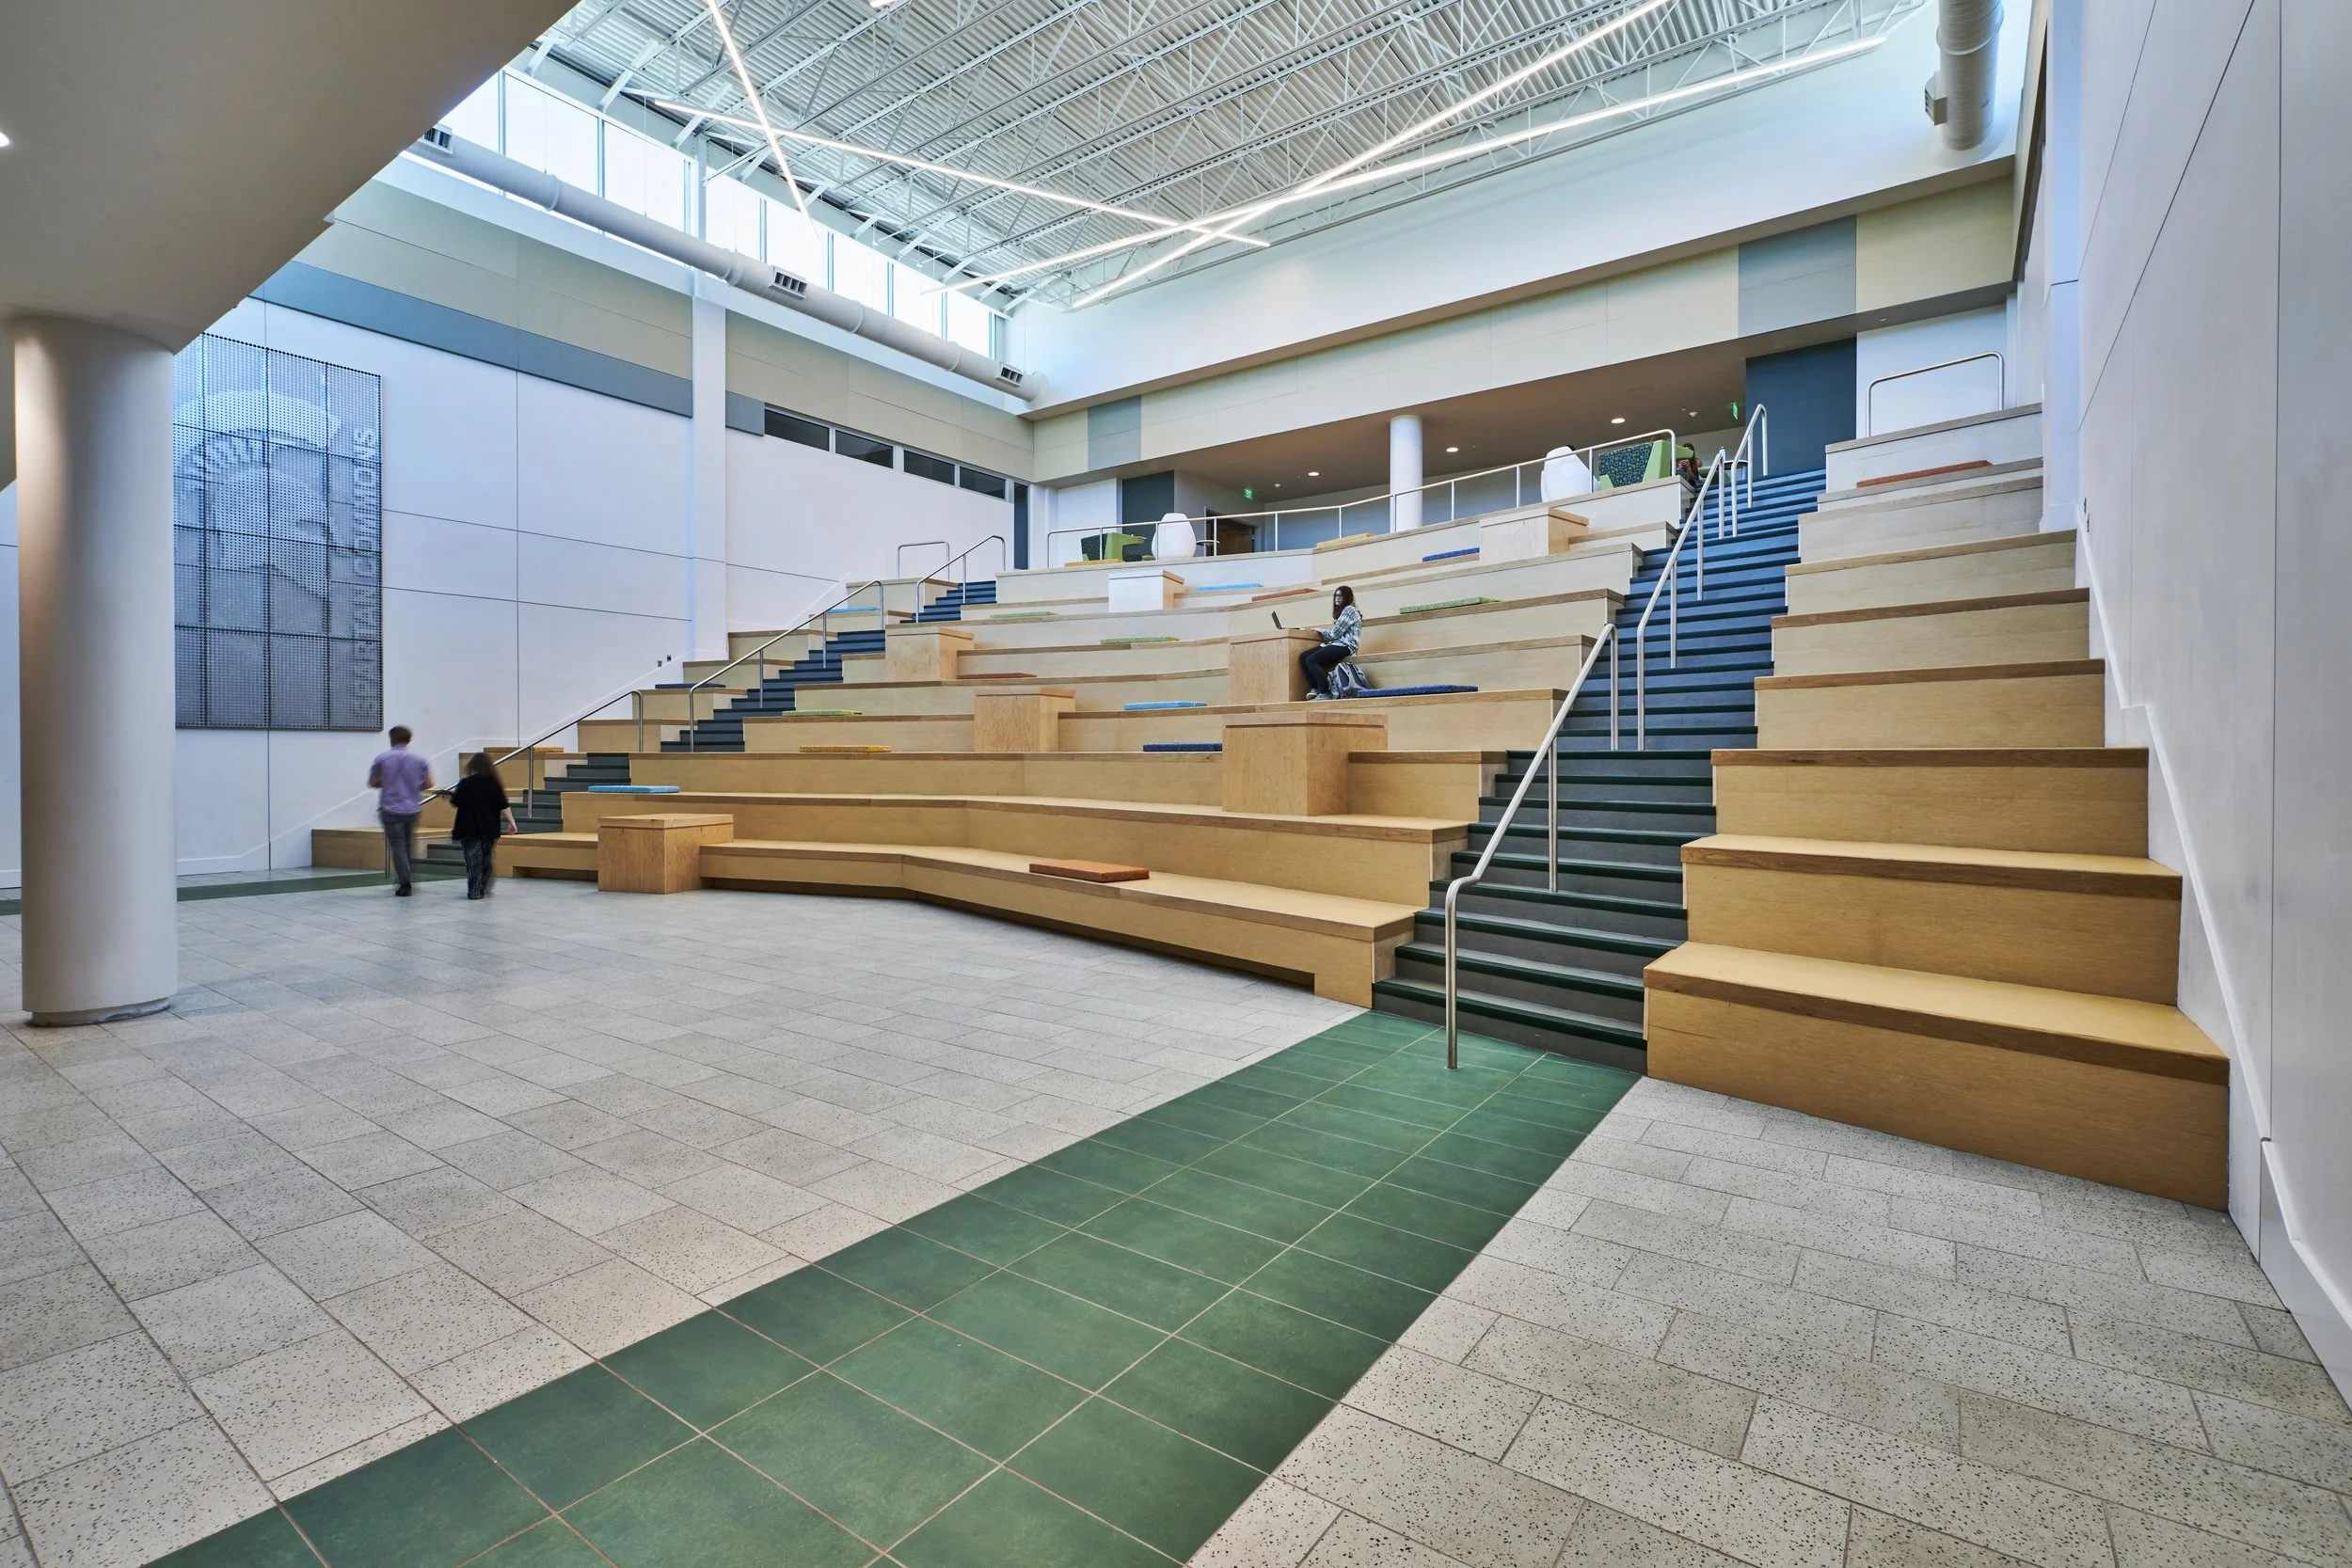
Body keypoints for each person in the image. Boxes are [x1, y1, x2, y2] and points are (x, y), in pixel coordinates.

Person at [367, 726, 433, 897]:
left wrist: (387, 784)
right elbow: (429, 783)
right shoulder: (420, 759)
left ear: (391, 739)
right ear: (409, 739)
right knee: (408, 845)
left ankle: (405, 882)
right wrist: (413, 786)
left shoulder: (382, 758)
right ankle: (406, 877)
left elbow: (372, 782)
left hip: (390, 808)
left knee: (397, 845)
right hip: (412, 808)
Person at [448, 752, 516, 901]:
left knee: (473, 861)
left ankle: (474, 889)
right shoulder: (493, 784)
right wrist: (511, 822)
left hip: (468, 827)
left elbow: (456, 802)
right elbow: (503, 805)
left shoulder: (465, 783)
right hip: (488, 828)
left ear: (472, 766)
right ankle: (482, 887)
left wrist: (451, 797)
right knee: (486, 858)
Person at [1301, 585, 1361, 699]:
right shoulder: (1343, 612)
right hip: (1337, 644)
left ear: (1347, 597)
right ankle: (1314, 689)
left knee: (1311, 659)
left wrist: (1320, 630)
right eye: (1336, 595)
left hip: (1346, 646)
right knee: (1303, 656)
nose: (1337, 598)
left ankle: (1324, 692)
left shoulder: (1349, 610)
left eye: (1341, 595)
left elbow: (1335, 634)